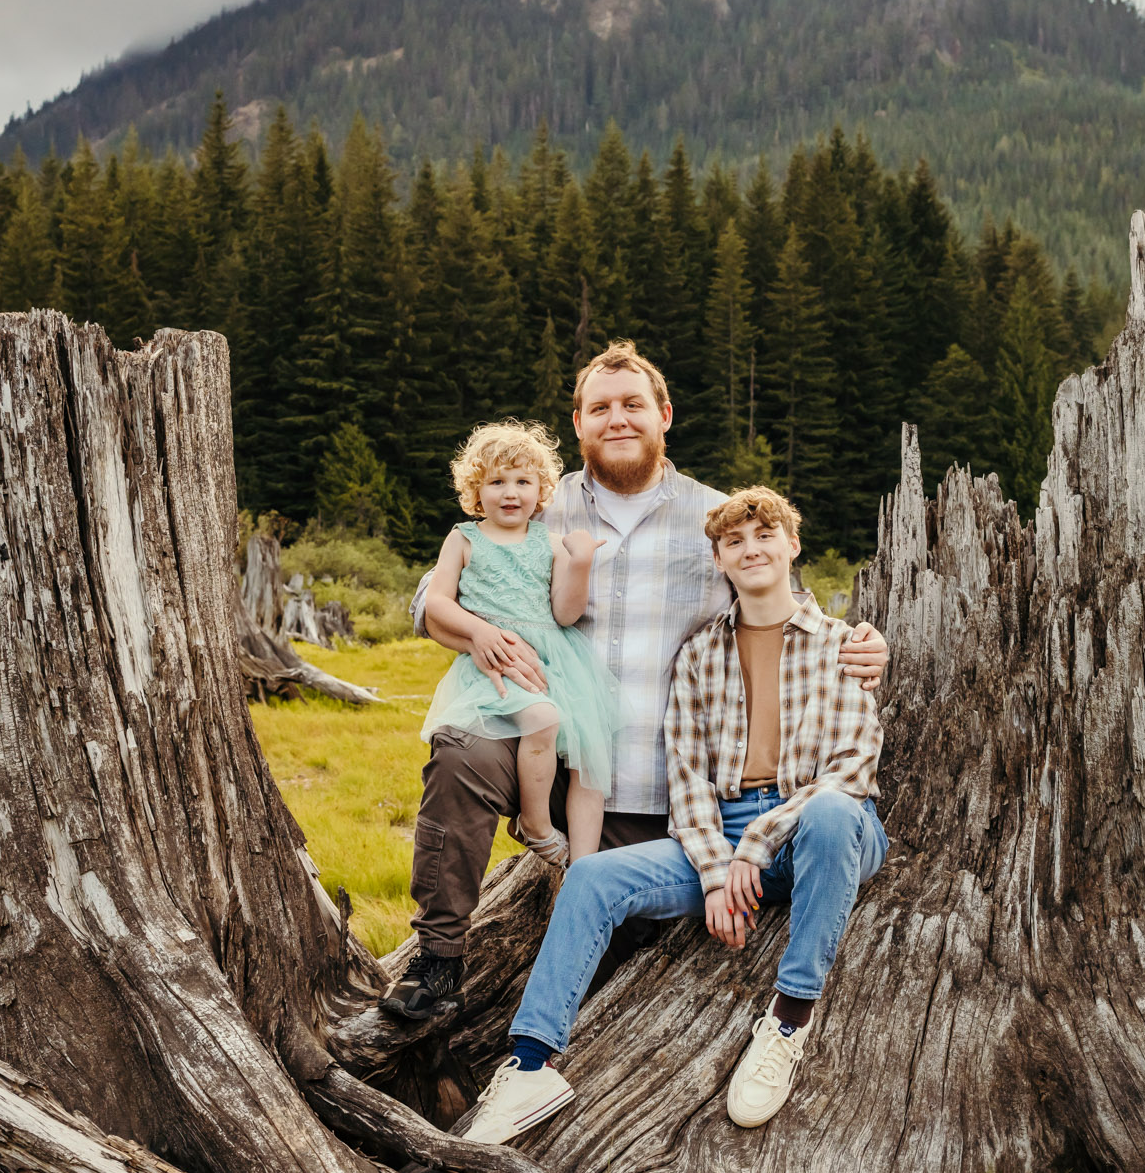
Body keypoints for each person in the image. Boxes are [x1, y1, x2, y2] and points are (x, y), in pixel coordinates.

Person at [379, 342, 889, 1023]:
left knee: (629, 962)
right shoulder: (536, 501)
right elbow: (430, 595)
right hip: (552, 747)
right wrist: (476, 632)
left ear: (664, 415)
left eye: (632, 405)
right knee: (462, 753)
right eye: (600, 408)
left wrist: (863, 640)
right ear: (579, 423)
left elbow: (779, 602)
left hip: (660, 783)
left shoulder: (712, 516)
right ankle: (440, 954)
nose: (617, 419)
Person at [460, 486, 886, 1141]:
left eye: (764, 534)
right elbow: (687, 783)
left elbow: (850, 768)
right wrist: (718, 871)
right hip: (729, 828)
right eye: (734, 541)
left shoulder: (843, 645)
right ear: (717, 558)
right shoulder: (699, 655)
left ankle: (788, 1020)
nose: (751, 549)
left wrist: (755, 848)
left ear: (791, 544)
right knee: (592, 877)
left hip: (824, 830)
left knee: (830, 810)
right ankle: (530, 1063)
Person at [415, 420, 617, 862]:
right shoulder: (463, 538)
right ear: (476, 490)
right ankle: (536, 824)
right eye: (497, 481)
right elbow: (437, 604)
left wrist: (580, 562)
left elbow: (566, 612)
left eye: (523, 481)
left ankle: (583, 868)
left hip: (558, 661)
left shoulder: (551, 542)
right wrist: (479, 631)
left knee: (590, 754)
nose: (510, 492)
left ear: (540, 490)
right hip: (495, 659)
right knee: (544, 719)